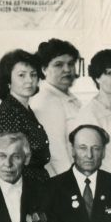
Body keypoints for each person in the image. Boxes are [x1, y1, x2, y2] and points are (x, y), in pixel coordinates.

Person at [0, 49, 51, 182]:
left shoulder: (23, 108)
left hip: (36, 183)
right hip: (24, 186)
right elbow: (10, 165)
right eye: (21, 75)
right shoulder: (9, 113)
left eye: (33, 75)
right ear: (8, 80)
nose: (29, 80)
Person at [74, 49, 111, 176]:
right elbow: (86, 162)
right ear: (97, 78)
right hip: (105, 184)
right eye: (110, 73)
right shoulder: (89, 114)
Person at [31, 38, 82, 176]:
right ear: (44, 69)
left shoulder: (69, 98)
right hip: (61, 181)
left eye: (71, 64)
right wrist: (73, 184)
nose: (67, 69)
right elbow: (56, 154)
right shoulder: (46, 101)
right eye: (58, 65)